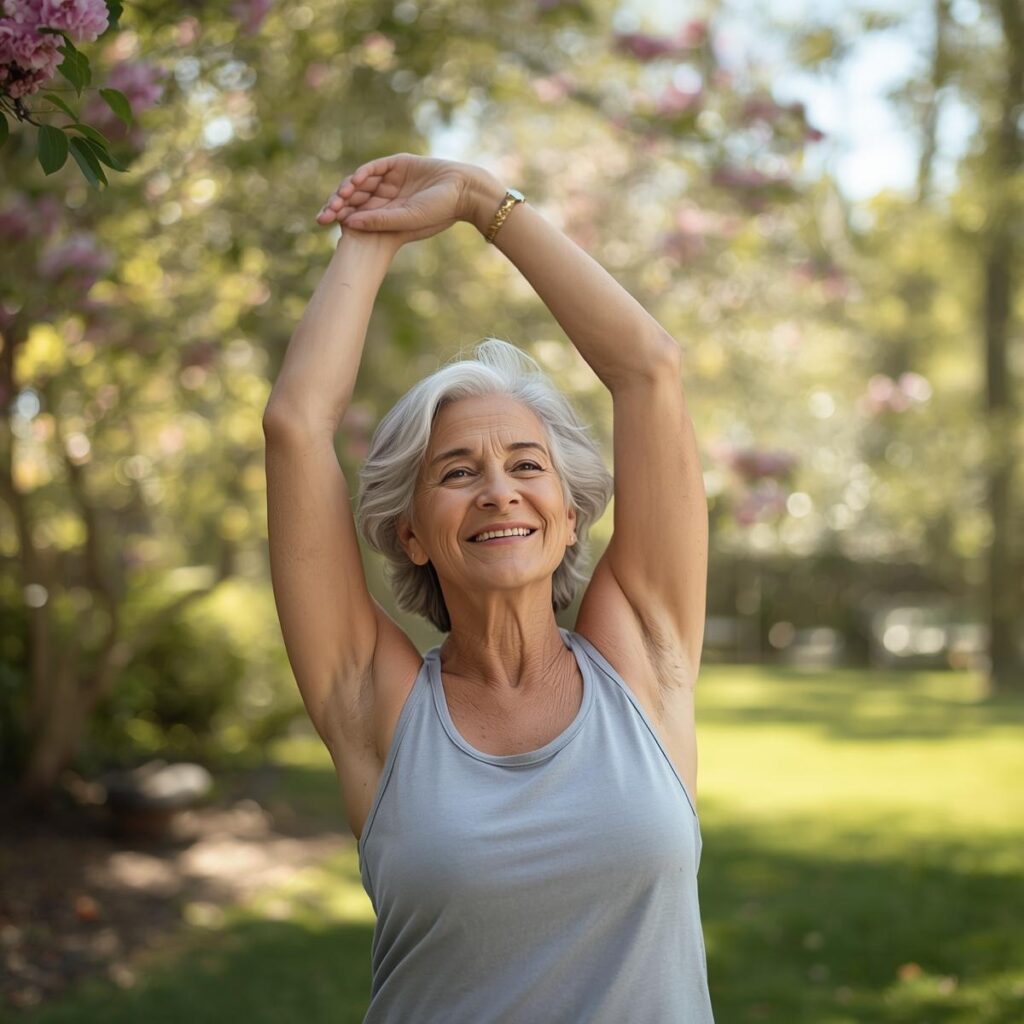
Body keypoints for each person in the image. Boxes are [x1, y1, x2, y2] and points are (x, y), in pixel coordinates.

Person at [262, 153, 713, 1023]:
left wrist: (481, 202)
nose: (499, 490)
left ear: (572, 515)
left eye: (526, 464)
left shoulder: (644, 657)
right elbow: (296, 425)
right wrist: (367, 232)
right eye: (458, 471)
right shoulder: (376, 704)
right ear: (413, 533)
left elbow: (648, 367)